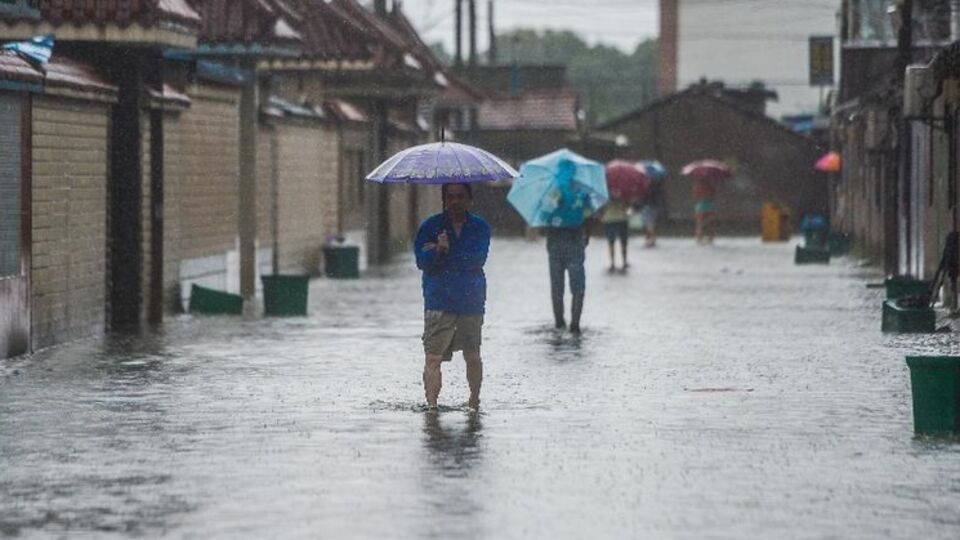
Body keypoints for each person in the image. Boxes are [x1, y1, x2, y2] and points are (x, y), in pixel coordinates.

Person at [414, 183, 491, 411]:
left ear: (469, 199)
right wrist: (437, 250)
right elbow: (421, 261)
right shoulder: (430, 227)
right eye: (450, 197)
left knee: (473, 355)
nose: (455, 201)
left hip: (471, 300)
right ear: (445, 200)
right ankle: (432, 407)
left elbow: (476, 259)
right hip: (439, 299)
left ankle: (474, 400)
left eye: (460, 197)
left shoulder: (479, 227)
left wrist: (446, 252)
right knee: (433, 357)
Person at [601, 198, 629, 272]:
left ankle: (612, 264)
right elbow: (627, 206)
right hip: (622, 219)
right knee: (623, 242)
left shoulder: (605, 193)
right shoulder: (624, 193)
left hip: (609, 219)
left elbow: (601, 207)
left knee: (611, 243)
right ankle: (624, 262)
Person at [692, 177, 717, 244]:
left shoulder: (697, 186)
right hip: (710, 206)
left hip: (701, 205)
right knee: (710, 223)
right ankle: (710, 239)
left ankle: (699, 239)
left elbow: (695, 197)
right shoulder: (711, 186)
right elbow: (713, 195)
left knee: (699, 224)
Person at [640, 179, 663, 247]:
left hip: (647, 206)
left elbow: (643, 197)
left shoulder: (645, 186)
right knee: (650, 223)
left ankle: (652, 239)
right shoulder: (656, 185)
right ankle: (648, 239)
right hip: (654, 206)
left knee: (648, 224)